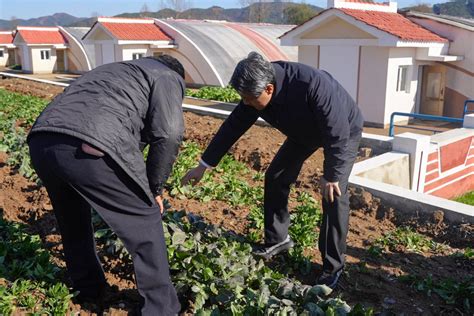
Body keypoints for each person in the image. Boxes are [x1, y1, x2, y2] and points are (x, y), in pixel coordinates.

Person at [181, 52, 364, 289]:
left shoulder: (312, 85)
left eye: (249, 99)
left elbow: (336, 131)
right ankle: (278, 240)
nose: (245, 103)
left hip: (343, 130)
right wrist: (203, 165)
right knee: (276, 176)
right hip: (303, 131)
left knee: (334, 195)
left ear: (269, 89)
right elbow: (232, 127)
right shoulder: (254, 91)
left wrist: (332, 175)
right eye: (243, 98)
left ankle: (333, 267)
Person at [28, 55, 185, 315]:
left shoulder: (115, 70)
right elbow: (169, 134)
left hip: (42, 140)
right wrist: (153, 190)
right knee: (145, 220)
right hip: (88, 144)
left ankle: (89, 290)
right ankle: (162, 309)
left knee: (73, 221)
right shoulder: (168, 76)